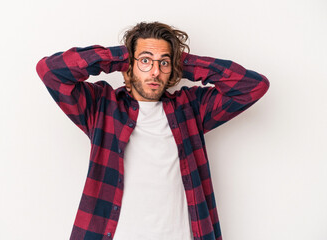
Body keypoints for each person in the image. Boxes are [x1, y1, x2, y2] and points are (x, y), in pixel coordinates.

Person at [36, 21, 269, 240]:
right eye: (145, 61)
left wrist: (179, 61)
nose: (155, 72)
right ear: (128, 65)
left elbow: (253, 86)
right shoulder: (101, 106)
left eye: (164, 63)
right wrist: (121, 56)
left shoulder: (191, 108)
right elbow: (50, 71)